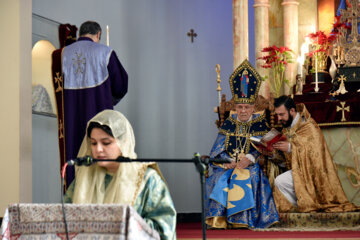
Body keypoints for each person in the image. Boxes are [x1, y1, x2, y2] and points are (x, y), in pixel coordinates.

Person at [64, 110, 177, 240]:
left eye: (106, 143)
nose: (98, 149)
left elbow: (164, 230)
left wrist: (124, 226)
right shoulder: (85, 178)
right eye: (94, 143)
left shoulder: (147, 179)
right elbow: (65, 219)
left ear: (123, 141)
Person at [52, 21, 128, 187]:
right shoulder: (105, 52)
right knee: (98, 152)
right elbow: (121, 85)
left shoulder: (60, 55)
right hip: (98, 115)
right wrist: (110, 97)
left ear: (80, 33)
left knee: (74, 157)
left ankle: (74, 200)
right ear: (98, 35)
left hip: (71, 119)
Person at [205, 59, 279, 229]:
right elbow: (217, 149)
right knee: (218, 176)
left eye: (247, 107)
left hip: (249, 165)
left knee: (248, 176)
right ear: (235, 108)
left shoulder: (260, 123)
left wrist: (250, 159)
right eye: (239, 107)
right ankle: (220, 221)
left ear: (253, 107)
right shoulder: (228, 123)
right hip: (229, 164)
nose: (243, 111)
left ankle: (243, 220)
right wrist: (227, 162)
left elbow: (265, 148)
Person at [272, 95, 358, 212]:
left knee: (280, 181)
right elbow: (288, 162)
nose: (278, 118)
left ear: (292, 110)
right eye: (277, 115)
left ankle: (308, 204)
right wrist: (272, 154)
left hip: (315, 174)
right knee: (279, 181)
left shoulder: (309, 126)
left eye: (281, 114)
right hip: (300, 171)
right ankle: (303, 205)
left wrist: (291, 148)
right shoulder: (287, 129)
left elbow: (315, 154)